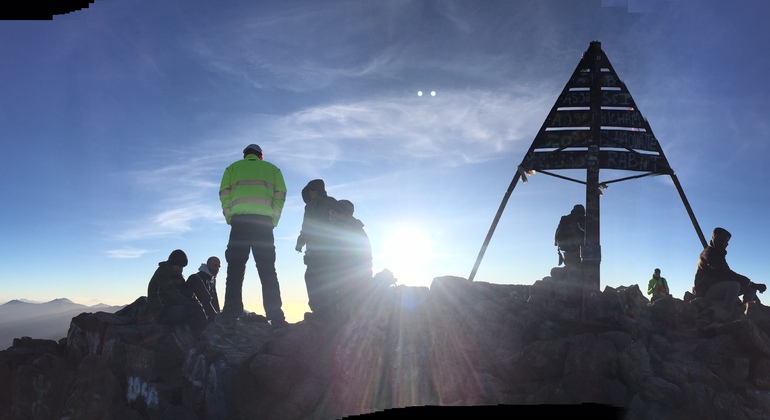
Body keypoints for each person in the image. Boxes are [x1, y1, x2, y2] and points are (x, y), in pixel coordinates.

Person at [218, 144, 288, 332]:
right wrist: (273, 219)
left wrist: (229, 216)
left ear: (245, 155)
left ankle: (231, 315)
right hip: (263, 224)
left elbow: (224, 193)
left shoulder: (232, 169)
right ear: (260, 156)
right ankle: (276, 316)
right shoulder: (272, 169)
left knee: (235, 269)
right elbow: (280, 195)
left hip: (239, 223)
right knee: (267, 270)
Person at [693, 227, 767, 313]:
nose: (727, 244)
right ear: (718, 240)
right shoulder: (709, 254)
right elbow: (726, 274)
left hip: (717, 287)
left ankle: (744, 312)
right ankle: (727, 315)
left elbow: (728, 275)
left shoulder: (718, 254)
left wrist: (751, 285)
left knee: (751, 288)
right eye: (725, 240)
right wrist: (750, 283)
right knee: (734, 285)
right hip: (705, 291)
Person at [295, 179, 338, 319]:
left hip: (328, 248)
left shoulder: (330, 202)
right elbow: (306, 226)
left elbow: (340, 221)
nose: (311, 193)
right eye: (309, 190)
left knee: (327, 278)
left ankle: (331, 311)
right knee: (311, 277)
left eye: (313, 190)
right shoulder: (309, 207)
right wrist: (300, 242)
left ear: (319, 190)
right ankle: (319, 311)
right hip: (313, 249)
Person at [327, 199, 373, 318]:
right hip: (361, 274)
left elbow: (336, 255)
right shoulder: (356, 228)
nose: (330, 215)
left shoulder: (341, 228)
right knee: (357, 308)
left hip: (347, 276)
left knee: (347, 312)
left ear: (340, 213)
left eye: (333, 212)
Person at [146, 249, 207, 332]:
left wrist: (196, 302)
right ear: (172, 263)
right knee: (193, 309)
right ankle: (201, 334)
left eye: (182, 267)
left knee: (194, 280)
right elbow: (174, 294)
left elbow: (185, 290)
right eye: (178, 266)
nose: (180, 269)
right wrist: (190, 305)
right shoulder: (162, 273)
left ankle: (205, 327)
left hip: (171, 305)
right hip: (161, 312)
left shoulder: (176, 274)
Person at [185, 256, 221, 321]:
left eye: (219, 266)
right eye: (215, 265)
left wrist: (217, 313)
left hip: (207, 316)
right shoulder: (196, 278)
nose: (217, 268)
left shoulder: (212, 280)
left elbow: (214, 299)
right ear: (208, 265)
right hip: (194, 317)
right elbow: (204, 300)